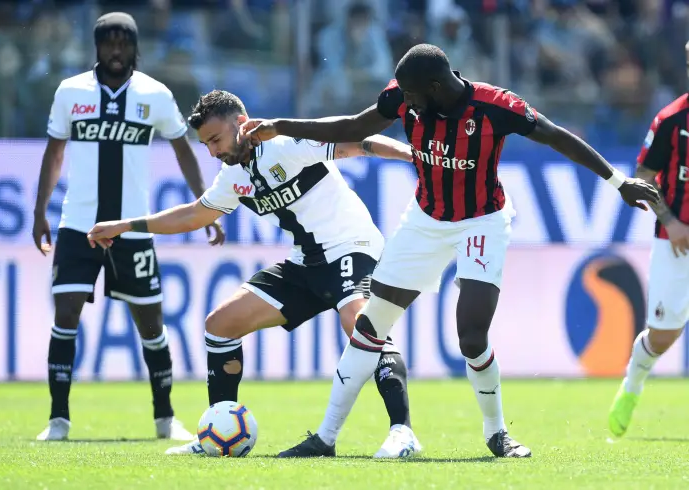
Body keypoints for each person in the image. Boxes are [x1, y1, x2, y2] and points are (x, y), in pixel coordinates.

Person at [239, 43, 661, 458]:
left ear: (437, 86)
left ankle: (497, 434)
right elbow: (352, 126)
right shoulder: (403, 96)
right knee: (371, 324)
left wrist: (617, 182)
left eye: (411, 96)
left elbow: (555, 136)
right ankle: (325, 438)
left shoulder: (495, 105)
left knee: (471, 334)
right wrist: (281, 125)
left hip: (482, 220)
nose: (404, 103)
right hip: (425, 219)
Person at [86, 89, 422, 459]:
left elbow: (359, 142)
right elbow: (195, 215)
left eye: (215, 139)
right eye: (205, 144)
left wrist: (411, 155)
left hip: (351, 246)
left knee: (360, 325)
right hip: (305, 262)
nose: (212, 151)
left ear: (240, 124)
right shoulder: (232, 175)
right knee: (220, 324)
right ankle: (216, 433)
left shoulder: (285, 141)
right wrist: (124, 226)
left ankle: (402, 432)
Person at [32, 12, 224, 441]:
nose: (115, 52)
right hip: (77, 225)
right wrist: (38, 211)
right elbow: (54, 153)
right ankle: (58, 420)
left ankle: (164, 417)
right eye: (107, 44)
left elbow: (183, 148)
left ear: (135, 48)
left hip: (131, 230)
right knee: (65, 316)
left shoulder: (154, 94)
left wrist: (205, 205)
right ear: (96, 47)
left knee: (151, 324)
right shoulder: (71, 92)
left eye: (123, 44)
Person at [608, 42, 689, 437]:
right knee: (663, 335)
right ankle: (633, 385)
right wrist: (671, 221)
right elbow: (644, 175)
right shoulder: (672, 120)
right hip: (676, 241)